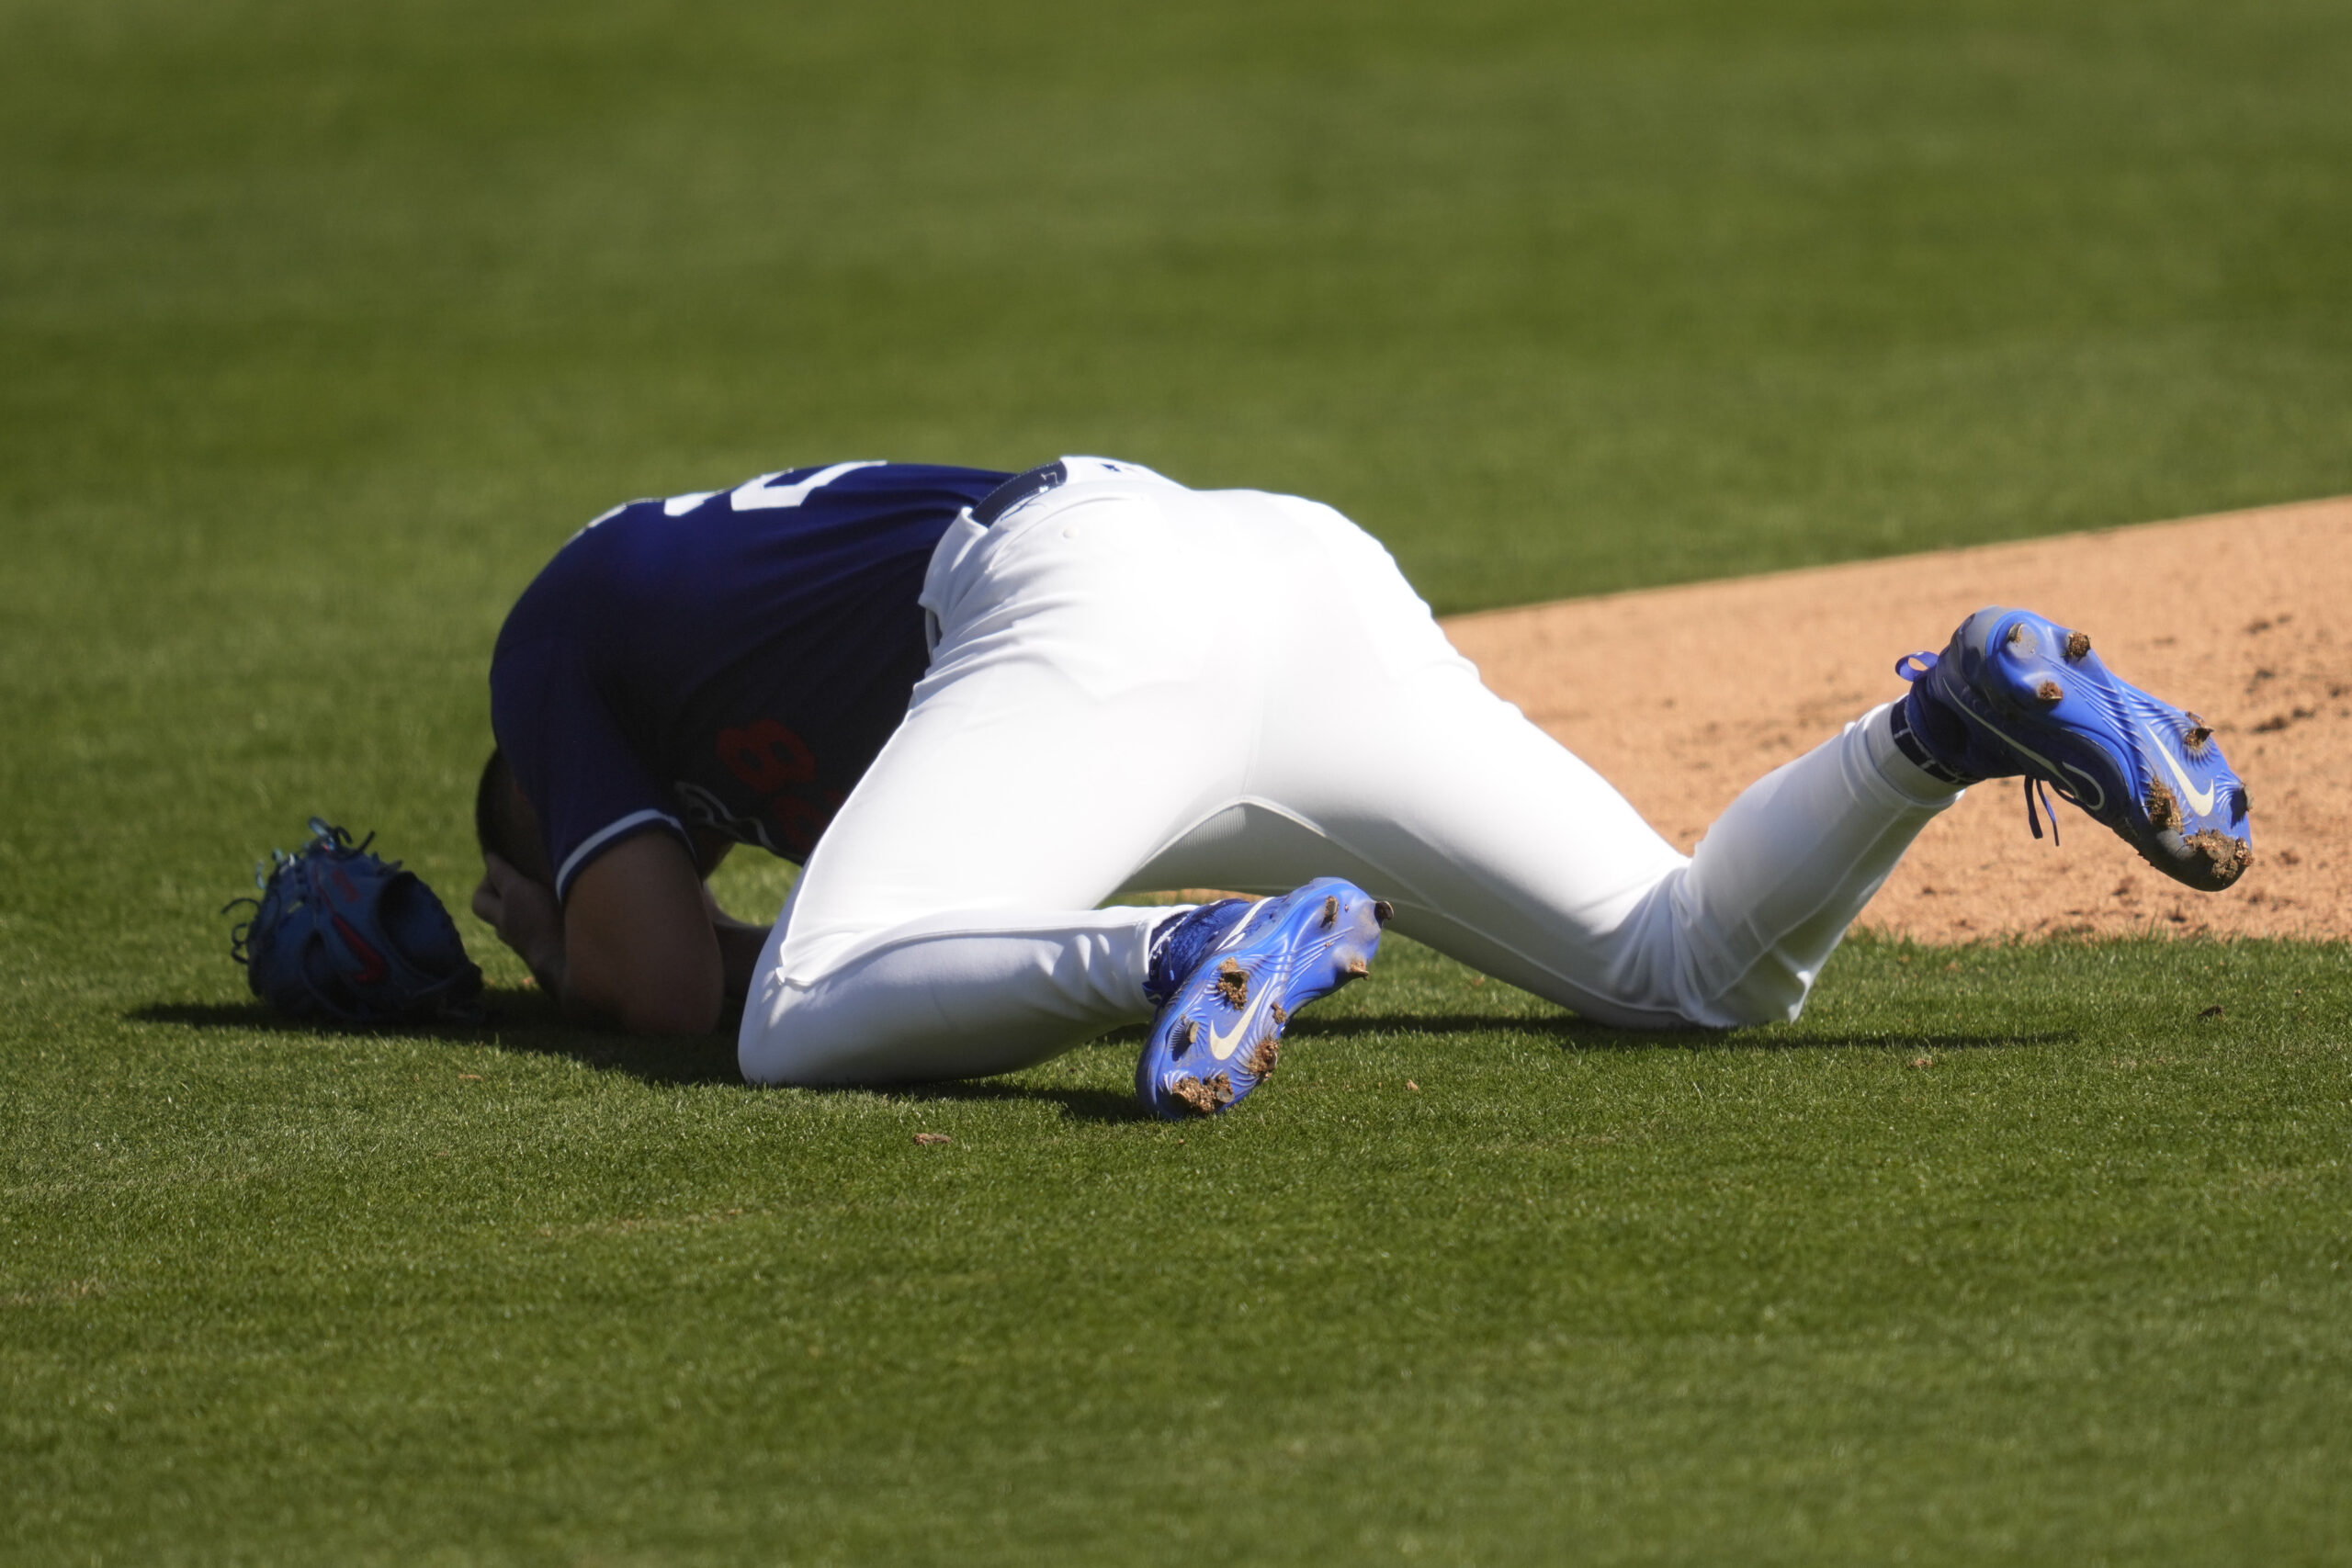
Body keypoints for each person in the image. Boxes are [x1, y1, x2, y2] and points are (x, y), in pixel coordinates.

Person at [470, 457, 2252, 1118]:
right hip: (1278, 565)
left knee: (790, 1020)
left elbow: (656, 978)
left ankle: (1175, 956)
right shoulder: (702, 613)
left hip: (1086, 610)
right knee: (1684, 963)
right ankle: (1939, 721)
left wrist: (524, 929)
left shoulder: (557, 631)